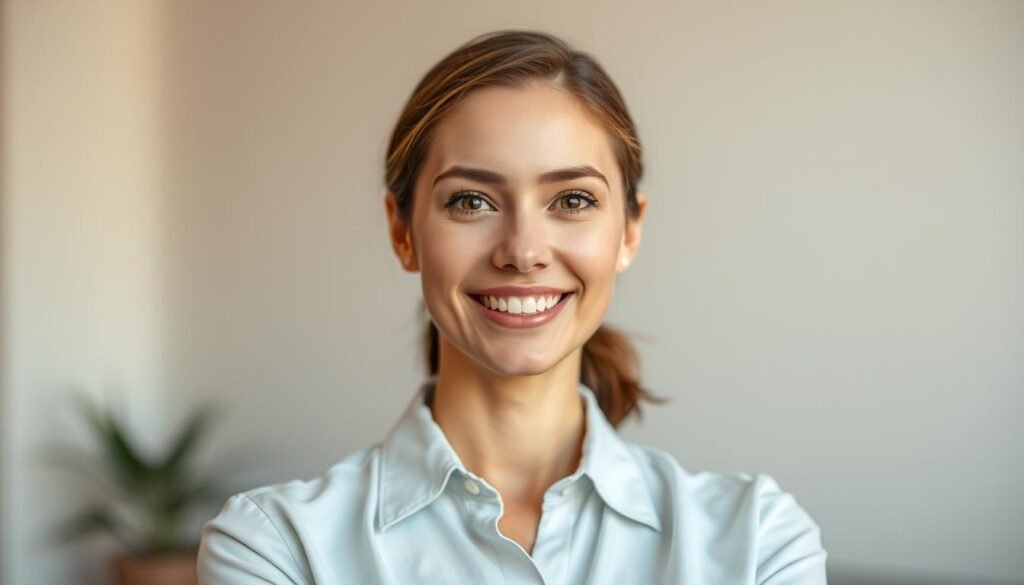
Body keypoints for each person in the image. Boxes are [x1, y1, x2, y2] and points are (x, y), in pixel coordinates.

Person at [197, 29, 828, 584]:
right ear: (403, 232)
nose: (523, 251)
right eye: (471, 201)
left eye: (573, 201)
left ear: (629, 232)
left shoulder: (758, 541)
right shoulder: (276, 548)